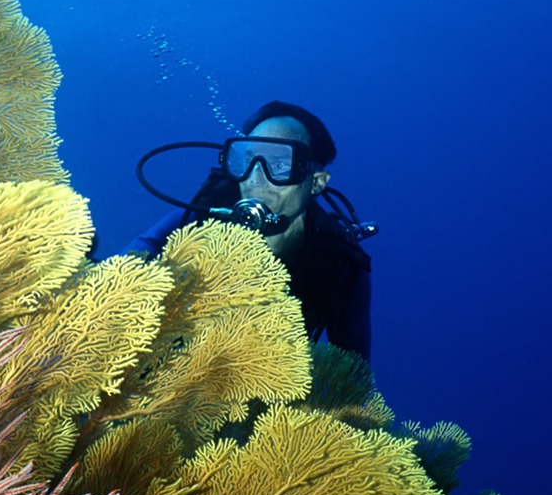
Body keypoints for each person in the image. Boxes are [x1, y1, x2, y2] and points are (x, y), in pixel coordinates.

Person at [126, 101, 373, 361]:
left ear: (316, 182)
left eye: (279, 164)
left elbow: (354, 372)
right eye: (247, 160)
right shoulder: (197, 219)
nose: (255, 178)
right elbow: (125, 267)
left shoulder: (343, 264)